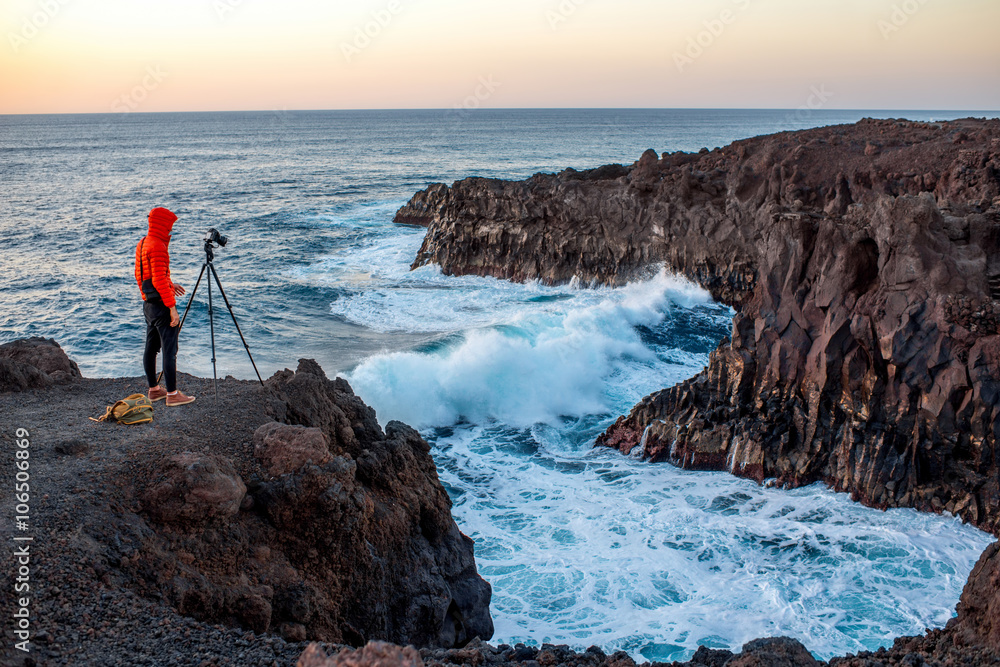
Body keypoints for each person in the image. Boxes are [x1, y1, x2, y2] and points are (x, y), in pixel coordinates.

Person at [135, 206, 196, 406]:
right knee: (170, 350)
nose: (170, 231)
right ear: (162, 225)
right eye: (169, 226)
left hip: (149, 305)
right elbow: (159, 279)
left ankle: (154, 390)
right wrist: (172, 308)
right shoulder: (159, 246)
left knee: (151, 348)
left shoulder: (143, 243)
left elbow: (144, 277)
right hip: (162, 306)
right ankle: (172, 394)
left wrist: (168, 286)